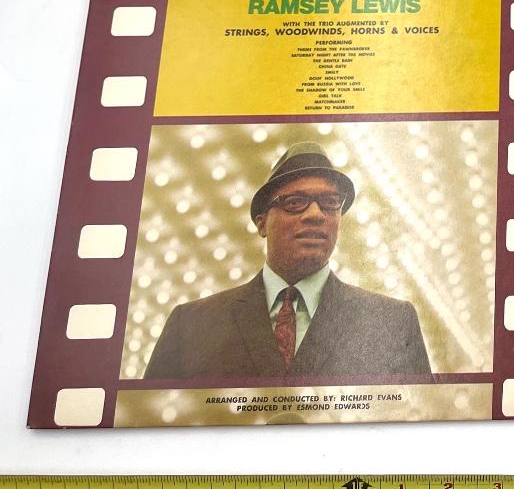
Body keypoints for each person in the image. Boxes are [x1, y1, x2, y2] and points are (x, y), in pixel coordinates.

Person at [144, 142, 430, 379]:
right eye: (294, 203)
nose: (316, 214)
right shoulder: (191, 325)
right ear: (262, 223)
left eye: (330, 202)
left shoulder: (392, 322)